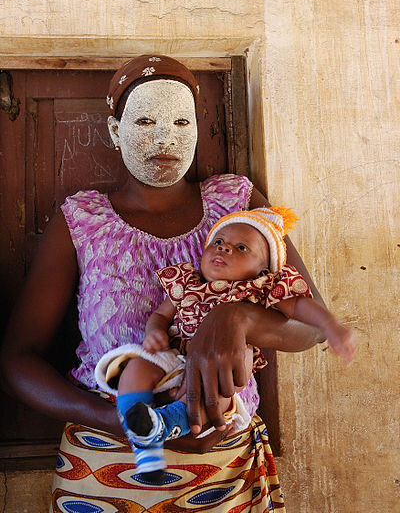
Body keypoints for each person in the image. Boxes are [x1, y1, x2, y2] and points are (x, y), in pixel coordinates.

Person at [0, 54, 329, 512]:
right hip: (106, 469)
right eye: (146, 120)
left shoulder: (237, 205)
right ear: (115, 132)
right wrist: (118, 420)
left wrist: (237, 318)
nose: (165, 138)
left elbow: (312, 327)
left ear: (198, 128)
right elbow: (18, 361)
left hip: (224, 468)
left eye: (181, 120)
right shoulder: (81, 220)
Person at [95, 206, 356, 482]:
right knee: (135, 369)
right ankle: (141, 438)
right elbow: (161, 315)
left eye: (241, 247)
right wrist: (155, 331)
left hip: (222, 370)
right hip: (173, 355)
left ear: (262, 270)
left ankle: (165, 423)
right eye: (218, 242)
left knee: (217, 389)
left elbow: (301, 307)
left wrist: (332, 325)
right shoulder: (187, 283)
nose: (225, 249)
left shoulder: (259, 288)